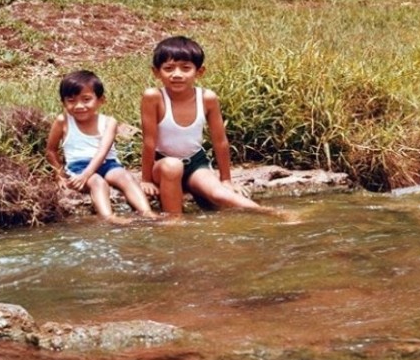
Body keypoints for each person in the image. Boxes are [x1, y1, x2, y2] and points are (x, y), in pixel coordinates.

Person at [140, 36, 289, 218]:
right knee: (172, 166)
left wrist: (226, 179)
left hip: (195, 164)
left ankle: (276, 214)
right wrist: (146, 180)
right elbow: (149, 141)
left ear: (199, 72)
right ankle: (174, 223)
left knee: (218, 194)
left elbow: (220, 141)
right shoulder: (153, 97)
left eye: (186, 68)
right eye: (168, 69)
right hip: (163, 165)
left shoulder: (207, 98)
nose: (177, 74)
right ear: (156, 72)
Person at [46, 69, 158, 223]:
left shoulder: (108, 122)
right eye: (71, 100)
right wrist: (60, 175)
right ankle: (108, 217)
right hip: (78, 167)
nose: (79, 106)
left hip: (108, 164)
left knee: (125, 176)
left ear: (101, 100)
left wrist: (87, 173)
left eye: (86, 99)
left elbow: (103, 151)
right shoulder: (63, 121)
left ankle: (146, 212)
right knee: (97, 181)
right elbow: (51, 150)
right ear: (63, 102)